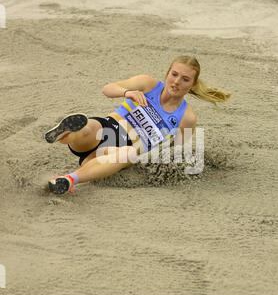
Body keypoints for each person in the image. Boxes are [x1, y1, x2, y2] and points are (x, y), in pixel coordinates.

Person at [45, 55, 230, 194]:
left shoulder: (187, 117)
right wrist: (127, 93)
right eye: (174, 74)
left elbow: (179, 152)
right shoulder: (148, 83)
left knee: (129, 153)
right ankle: (65, 133)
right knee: (88, 128)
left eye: (185, 79)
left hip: (120, 152)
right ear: (167, 73)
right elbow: (107, 89)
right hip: (108, 128)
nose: (176, 82)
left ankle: (68, 179)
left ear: (192, 84)